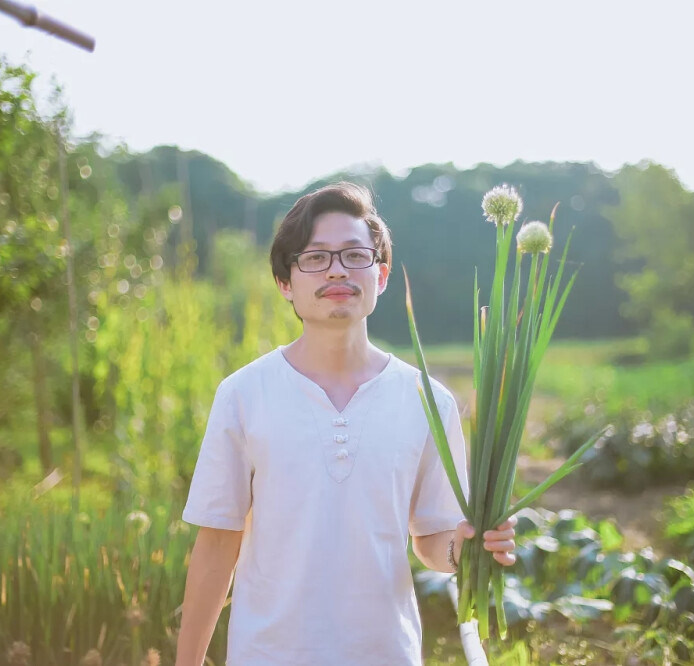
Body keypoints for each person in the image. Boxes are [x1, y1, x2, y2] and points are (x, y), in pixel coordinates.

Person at [175, 182, 517, 666]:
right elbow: (216, 544)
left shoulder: (429, 401)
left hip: (385, 654)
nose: (337, 268)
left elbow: (433, 543)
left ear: (380, 276)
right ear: (285, 283)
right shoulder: (243, 395)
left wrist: (470, 547)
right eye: (315, 257)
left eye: (355, 255)